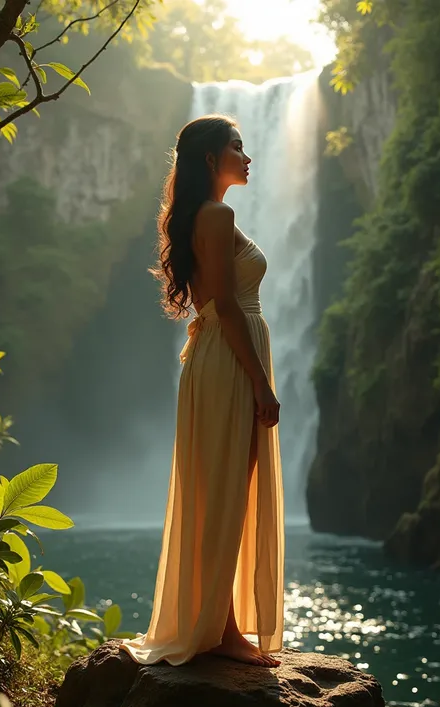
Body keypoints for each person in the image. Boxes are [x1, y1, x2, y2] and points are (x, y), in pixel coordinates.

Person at [119, 114, 285, 668]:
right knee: (228, 493)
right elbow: (229, 306)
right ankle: (225, 630)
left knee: (222, 491)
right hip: (230, 358)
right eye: (238, 147)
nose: (248, 155)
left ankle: (218, 623)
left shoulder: (202, 215)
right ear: (213, 160)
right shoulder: (217, 215)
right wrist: (262, 382)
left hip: (218, 356)